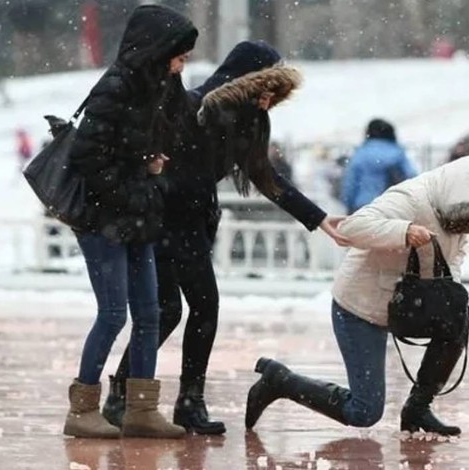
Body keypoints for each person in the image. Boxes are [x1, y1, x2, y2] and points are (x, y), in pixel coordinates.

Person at [101, 41, 350, 435]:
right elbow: (163, 114)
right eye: (267, 86)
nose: (271, 98)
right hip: (162, 219)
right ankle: (131, 397)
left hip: (191, 223)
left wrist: (318, 218)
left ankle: (177, 402)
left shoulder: (250, 121)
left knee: (186, 310)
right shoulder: (198, 105)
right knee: (176, 311)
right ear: (249, 80)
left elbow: (265, 177)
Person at [244, 155, 469, 436]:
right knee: (365, 412)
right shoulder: (410, 198)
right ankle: (280, 381)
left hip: (404, 302)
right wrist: (403, 231)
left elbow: (455, 254)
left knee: (457, 319)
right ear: (457, 193)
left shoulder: (458, 213)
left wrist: (448, 292)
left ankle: (418, 407)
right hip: (360, 306)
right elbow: (352, 227)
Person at [63, 5, 198, 440]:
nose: (183, 63)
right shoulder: (116, 88)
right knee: (112, 313)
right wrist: (139, 180)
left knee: (149, 314)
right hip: (103, 219)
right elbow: (89, 157)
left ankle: (142, 409)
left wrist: (148, 169)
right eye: (179, 54)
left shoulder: (155, 88)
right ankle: (82, 407)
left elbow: (162, 135)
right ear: (158, 49)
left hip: (138, 216)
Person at [342, 118, 417, 214]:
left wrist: (348, 204)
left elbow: (351, 182)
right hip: (392, 206)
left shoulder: (361, 154)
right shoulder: (398, 153)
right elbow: (412, 176)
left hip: (363, 206)